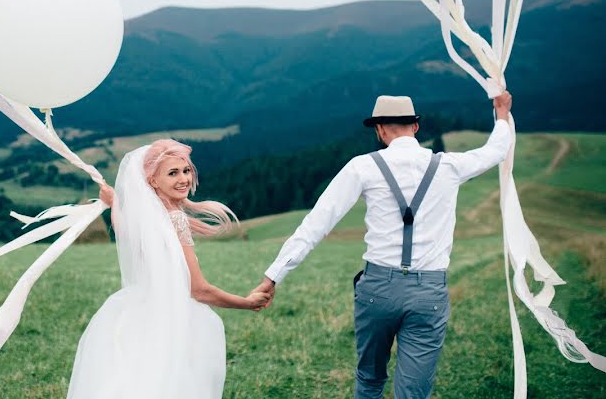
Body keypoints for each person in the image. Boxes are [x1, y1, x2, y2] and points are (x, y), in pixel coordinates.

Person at [252, 92, 514, 398]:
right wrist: (502, 113)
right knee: (414, 391)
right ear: (416, 127)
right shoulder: (450, 166)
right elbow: (496, 150)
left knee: (370, 379)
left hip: (377, 289)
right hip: (428, 292)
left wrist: (273, 277)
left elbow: (316, 224)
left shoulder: (362, 167)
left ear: (379, 130)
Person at [67, 139, 270, 398]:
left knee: (140, 380)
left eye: (186, 171)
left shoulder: (145, 218)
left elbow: (122, 228)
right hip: (172, 317)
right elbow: (200, 291)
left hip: (139, 312)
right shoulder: (174, 221)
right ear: (152, 181)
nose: (184, 179)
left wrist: (115, 201)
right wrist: (246, 303)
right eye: (172, 173)